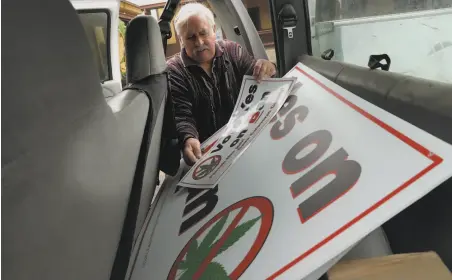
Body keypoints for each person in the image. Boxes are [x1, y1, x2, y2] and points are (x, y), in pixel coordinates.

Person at [167, 2, 277, 166]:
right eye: (190, 37)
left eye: (204, 33)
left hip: (246, 142)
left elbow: (259, 82)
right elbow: (182, 115)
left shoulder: (234, 51)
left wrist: (268, 68)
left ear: (213, 30)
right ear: (182, 41)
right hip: (207, 156)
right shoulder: (174, 71)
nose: (199, 42)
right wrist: (189, 139)